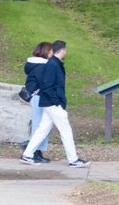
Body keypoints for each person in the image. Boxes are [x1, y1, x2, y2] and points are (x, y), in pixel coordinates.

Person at [20, 40, 88, 168]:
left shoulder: (51, 63)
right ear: (62, 50)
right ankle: (73, 159)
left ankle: (27, 154)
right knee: (65, 130)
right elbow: (47, 85)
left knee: (42, 129)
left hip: (48, 102)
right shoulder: (52, 65)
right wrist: (57, 101)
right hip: (52, 103)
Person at [23, 41, 52, 164]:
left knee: (40, 125)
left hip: (37, 97)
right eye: (51, 51)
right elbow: (45, 82)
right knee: (40, 125)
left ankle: (35, 150)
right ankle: (33, 151)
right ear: (46, 52)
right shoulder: (42, 66)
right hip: (40, 97)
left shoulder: (34, 64)